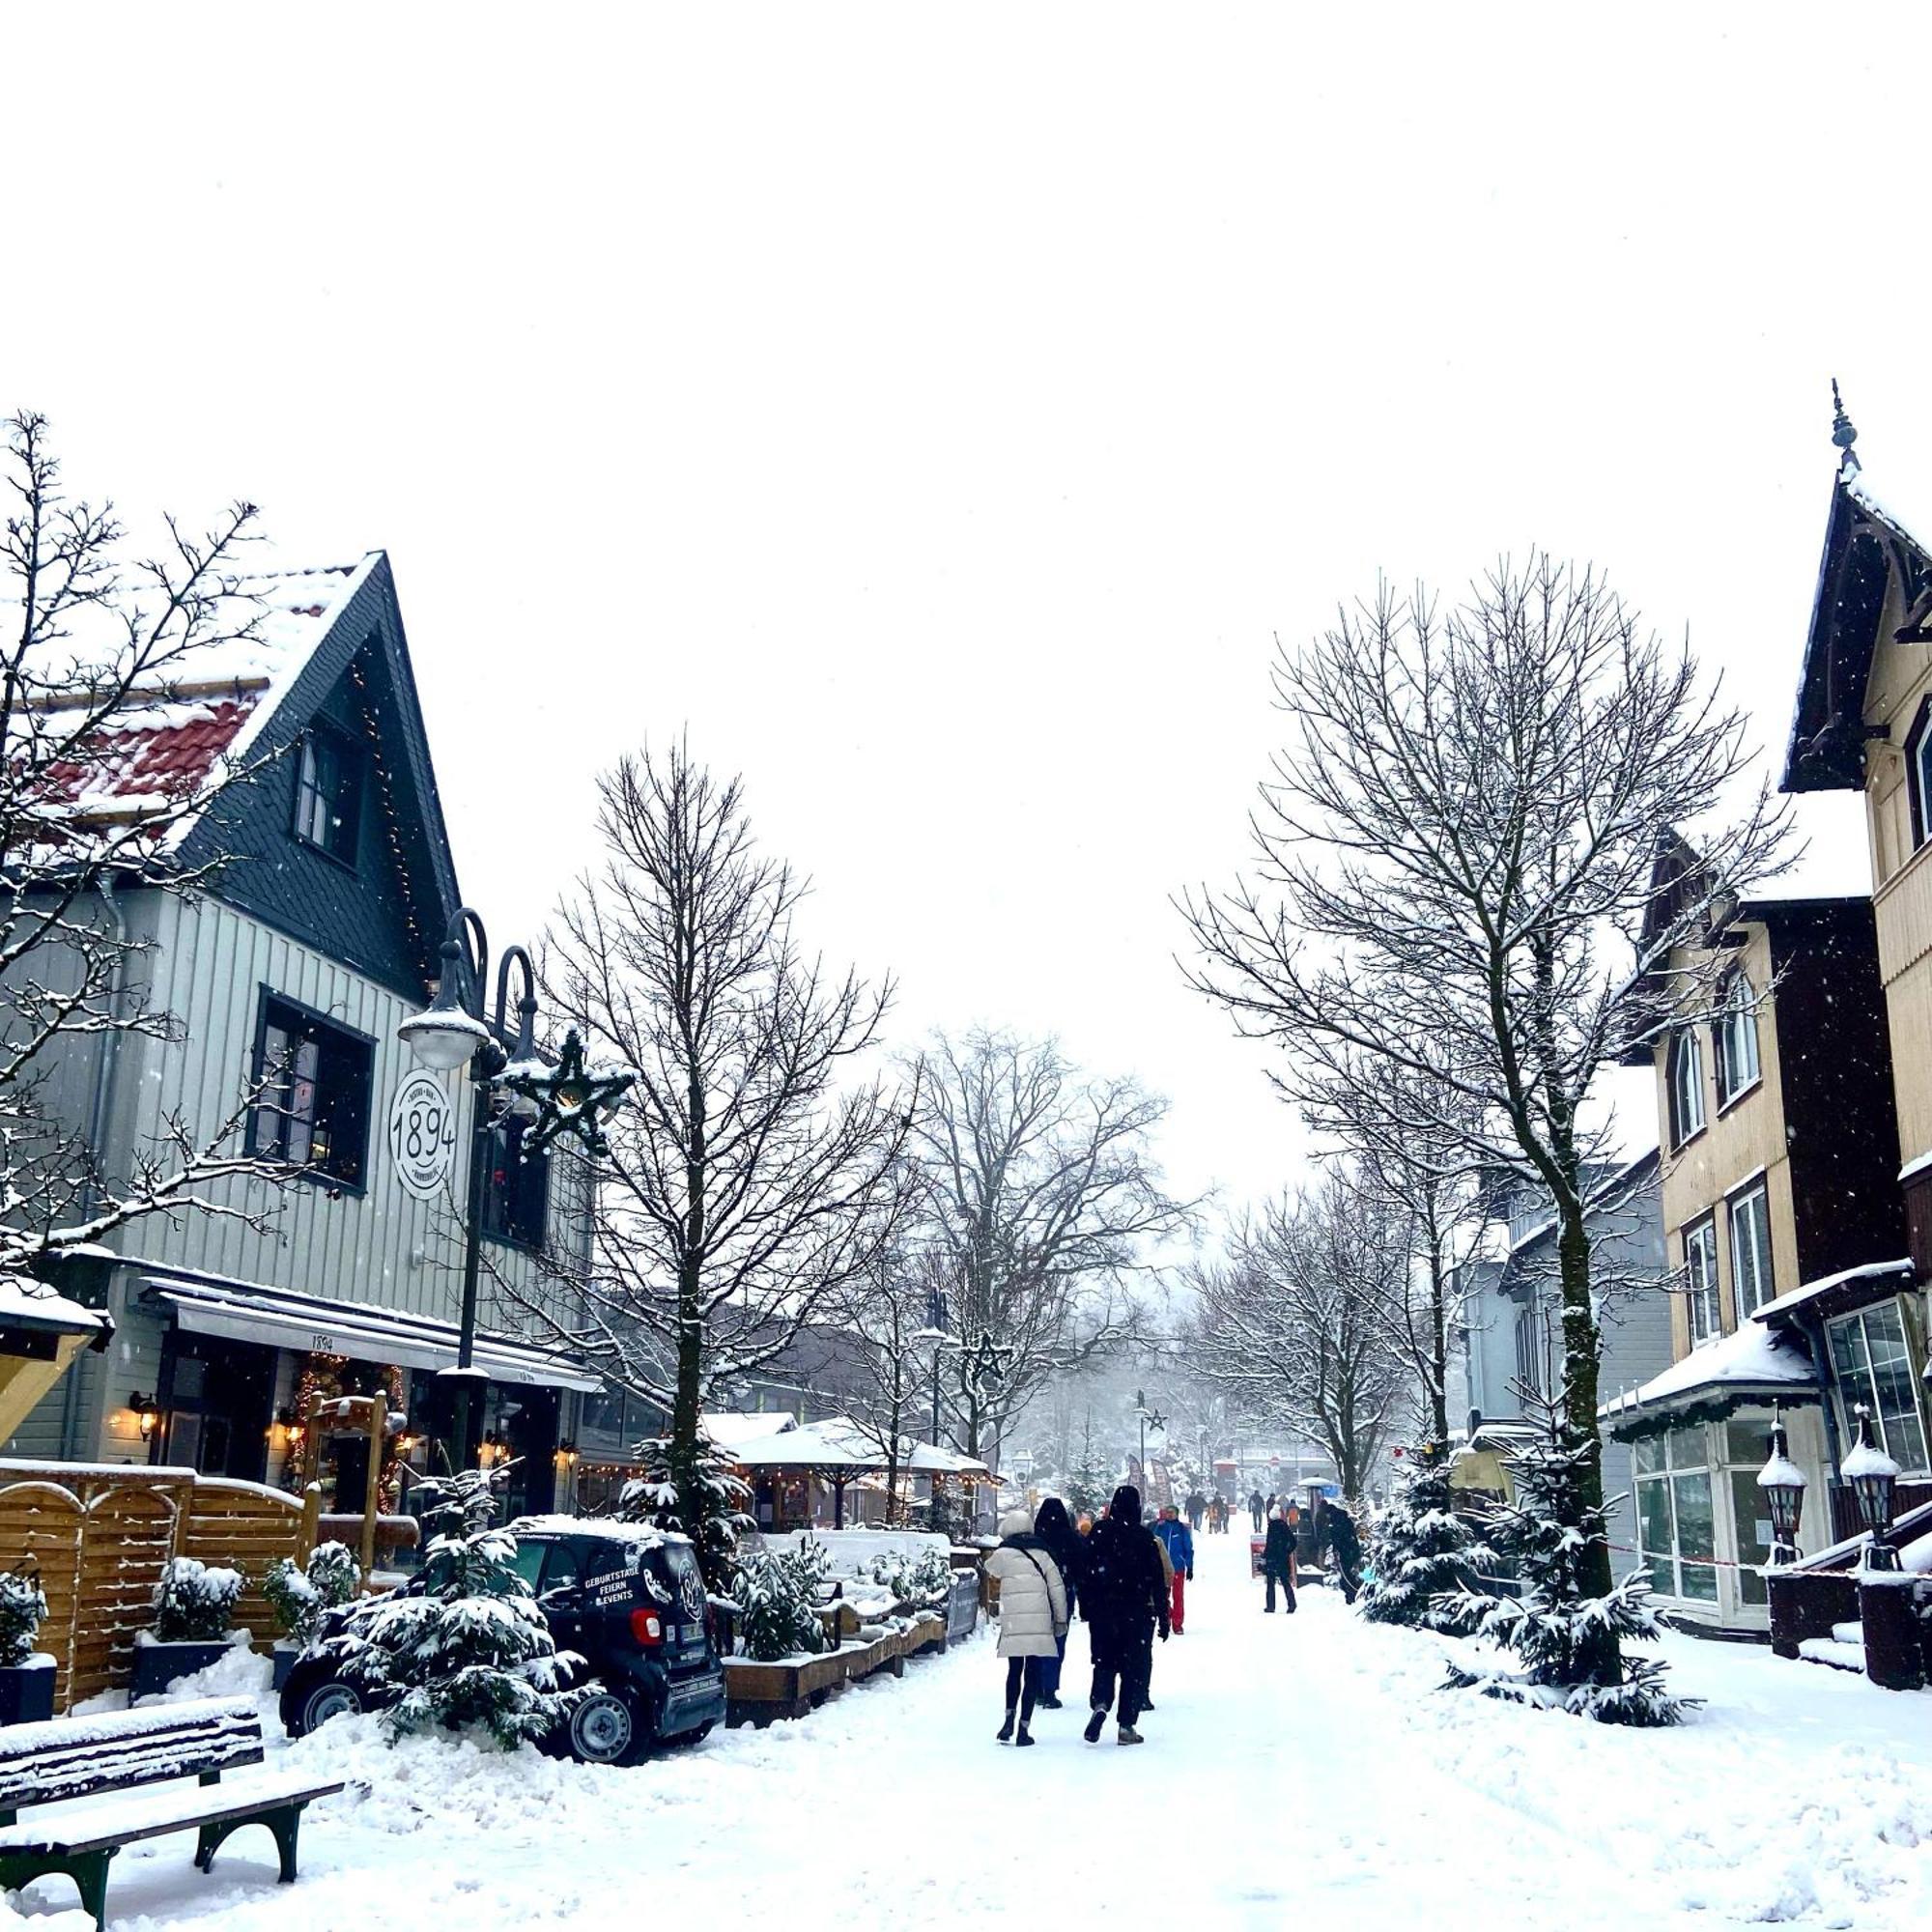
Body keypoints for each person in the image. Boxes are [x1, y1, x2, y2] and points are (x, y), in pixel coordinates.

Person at [1079, 1483, 1168, 1746]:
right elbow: (1157, 1581)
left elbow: (1085, 1572)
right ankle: (1126, 1725)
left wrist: (1086, 1607)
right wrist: (1163, 1617)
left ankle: (1101, 1703)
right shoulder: (1144, 1538)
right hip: (1136, 1613)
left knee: (1104, 1662)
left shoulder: (1099, 1532)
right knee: (1133, 1670)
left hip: (1104, 1613)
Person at [982, 1507, 1069, 1746]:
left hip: (1014, 1621)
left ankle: (1008, 1719)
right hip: (1039, 1622)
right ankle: (1024, 1728)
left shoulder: (1004, 1553)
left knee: (1014, 1672)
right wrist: (1060, 1619)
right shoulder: (1043, 1553)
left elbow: (990, 1569)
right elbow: (1057, 1589)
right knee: (1032, 1674)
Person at [1032, 1496, 1083, 1708]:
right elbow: (1081, 1566)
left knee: (1037, 1641)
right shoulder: (1071, 1538)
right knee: (1057, 1640)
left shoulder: (1035, 1540)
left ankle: (1035, 1687)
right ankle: (1050, 1688)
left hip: (1037, 1594)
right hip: (1063, 1593)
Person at [1151, 1502, 1195, 1635]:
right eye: (1167, 1512)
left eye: (1172, 1512)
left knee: (1178, 1597)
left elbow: (1188, 1548)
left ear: (1176, 1514)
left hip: (1178, 1568)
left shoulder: (1181, 1529)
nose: (1169, 1514)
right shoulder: (1160, 1528)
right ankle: (1167, 1617)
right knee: (1162, 1596)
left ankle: (1177, 1624)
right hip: (1163, 1568)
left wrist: (1190, 1566)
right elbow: (1153, 1544)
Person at [1316, 1494, 1363, 1605]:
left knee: (1346, 1574)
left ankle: (1352, 1595)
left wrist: (1336, 1548)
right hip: (1350, 1550)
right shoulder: (1343, 1520)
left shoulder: (1337, 1523)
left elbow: (1338, 1538)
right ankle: (1351, 1594)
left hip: (1346, 1551)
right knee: (1347, 1574)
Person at [1263, 1504, 1297, 1614]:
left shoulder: (1271, 1527)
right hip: (1282, 1559)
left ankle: (1270, 1606)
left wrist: (1265, 1556)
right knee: (1285, 1581)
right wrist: (1286, 1551)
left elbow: (1269, 1545)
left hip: (1272, 1559)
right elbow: (1293, 1542)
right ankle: (1292, 1604)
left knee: (1270, 1583)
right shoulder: (1284, 1526)